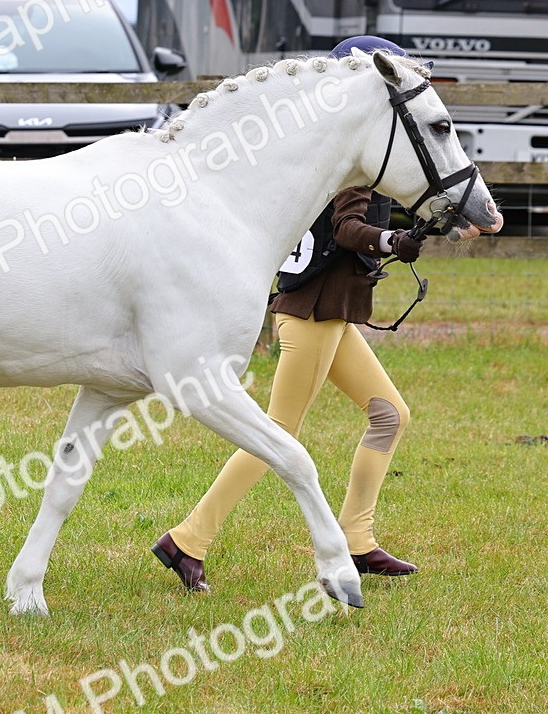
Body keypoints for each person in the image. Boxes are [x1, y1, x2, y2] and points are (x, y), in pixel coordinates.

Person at [153, 36, 426, 593]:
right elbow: (349, 228)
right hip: (312, 315)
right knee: (277, 433)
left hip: (330, 314)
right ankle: (187, 540)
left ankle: (358, 538)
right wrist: (393, 239)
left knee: (388, 415)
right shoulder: (352, 165)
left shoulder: (330, 152)